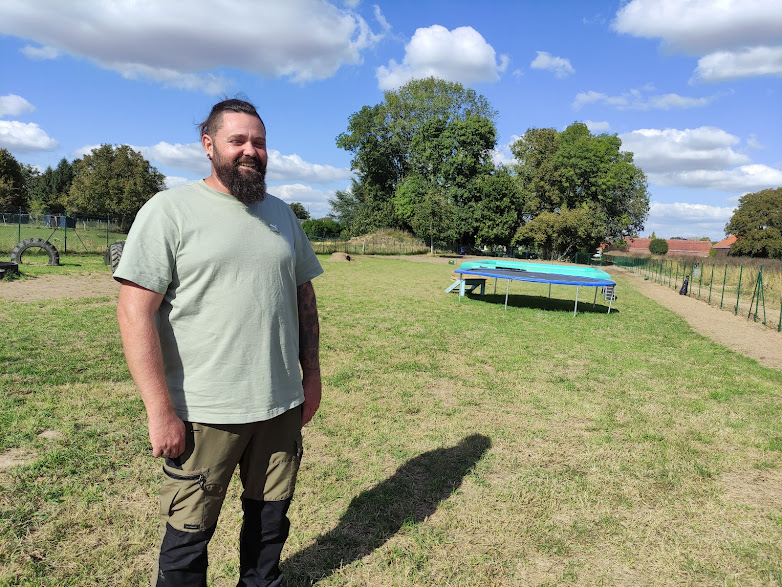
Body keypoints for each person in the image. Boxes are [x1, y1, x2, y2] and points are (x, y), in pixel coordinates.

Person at [115, 98, 323, 586]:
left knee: (269, 526)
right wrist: (160, 412)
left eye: (259, 142)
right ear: (208, 145)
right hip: (204, 412)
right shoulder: (169, 210)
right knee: (188, 538)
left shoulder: (282, 215)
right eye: (238, 140)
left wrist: (311, 375)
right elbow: (134, 312)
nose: (251, 151)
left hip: (278, 407)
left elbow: (303, 296)